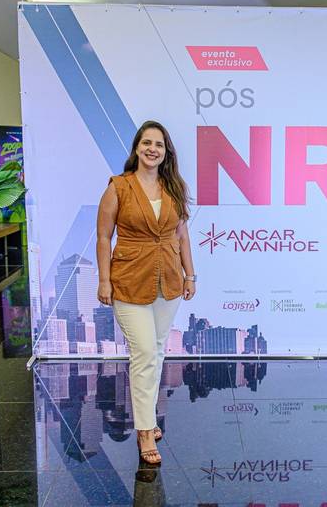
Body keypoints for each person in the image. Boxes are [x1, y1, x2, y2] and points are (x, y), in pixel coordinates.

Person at [96, 120, 196, 465]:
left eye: (159, 144)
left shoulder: (174, 187)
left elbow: (181, 235)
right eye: (147, 143)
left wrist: (190, 275)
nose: (153, 149)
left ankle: (148, 419)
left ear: (166, 152)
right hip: (128, 279)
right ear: (137, 148)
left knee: (156, 351)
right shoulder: (118, 187)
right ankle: (144, 431)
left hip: (168, 280)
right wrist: (104, 280)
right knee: (144, 354)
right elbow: (103, 237)